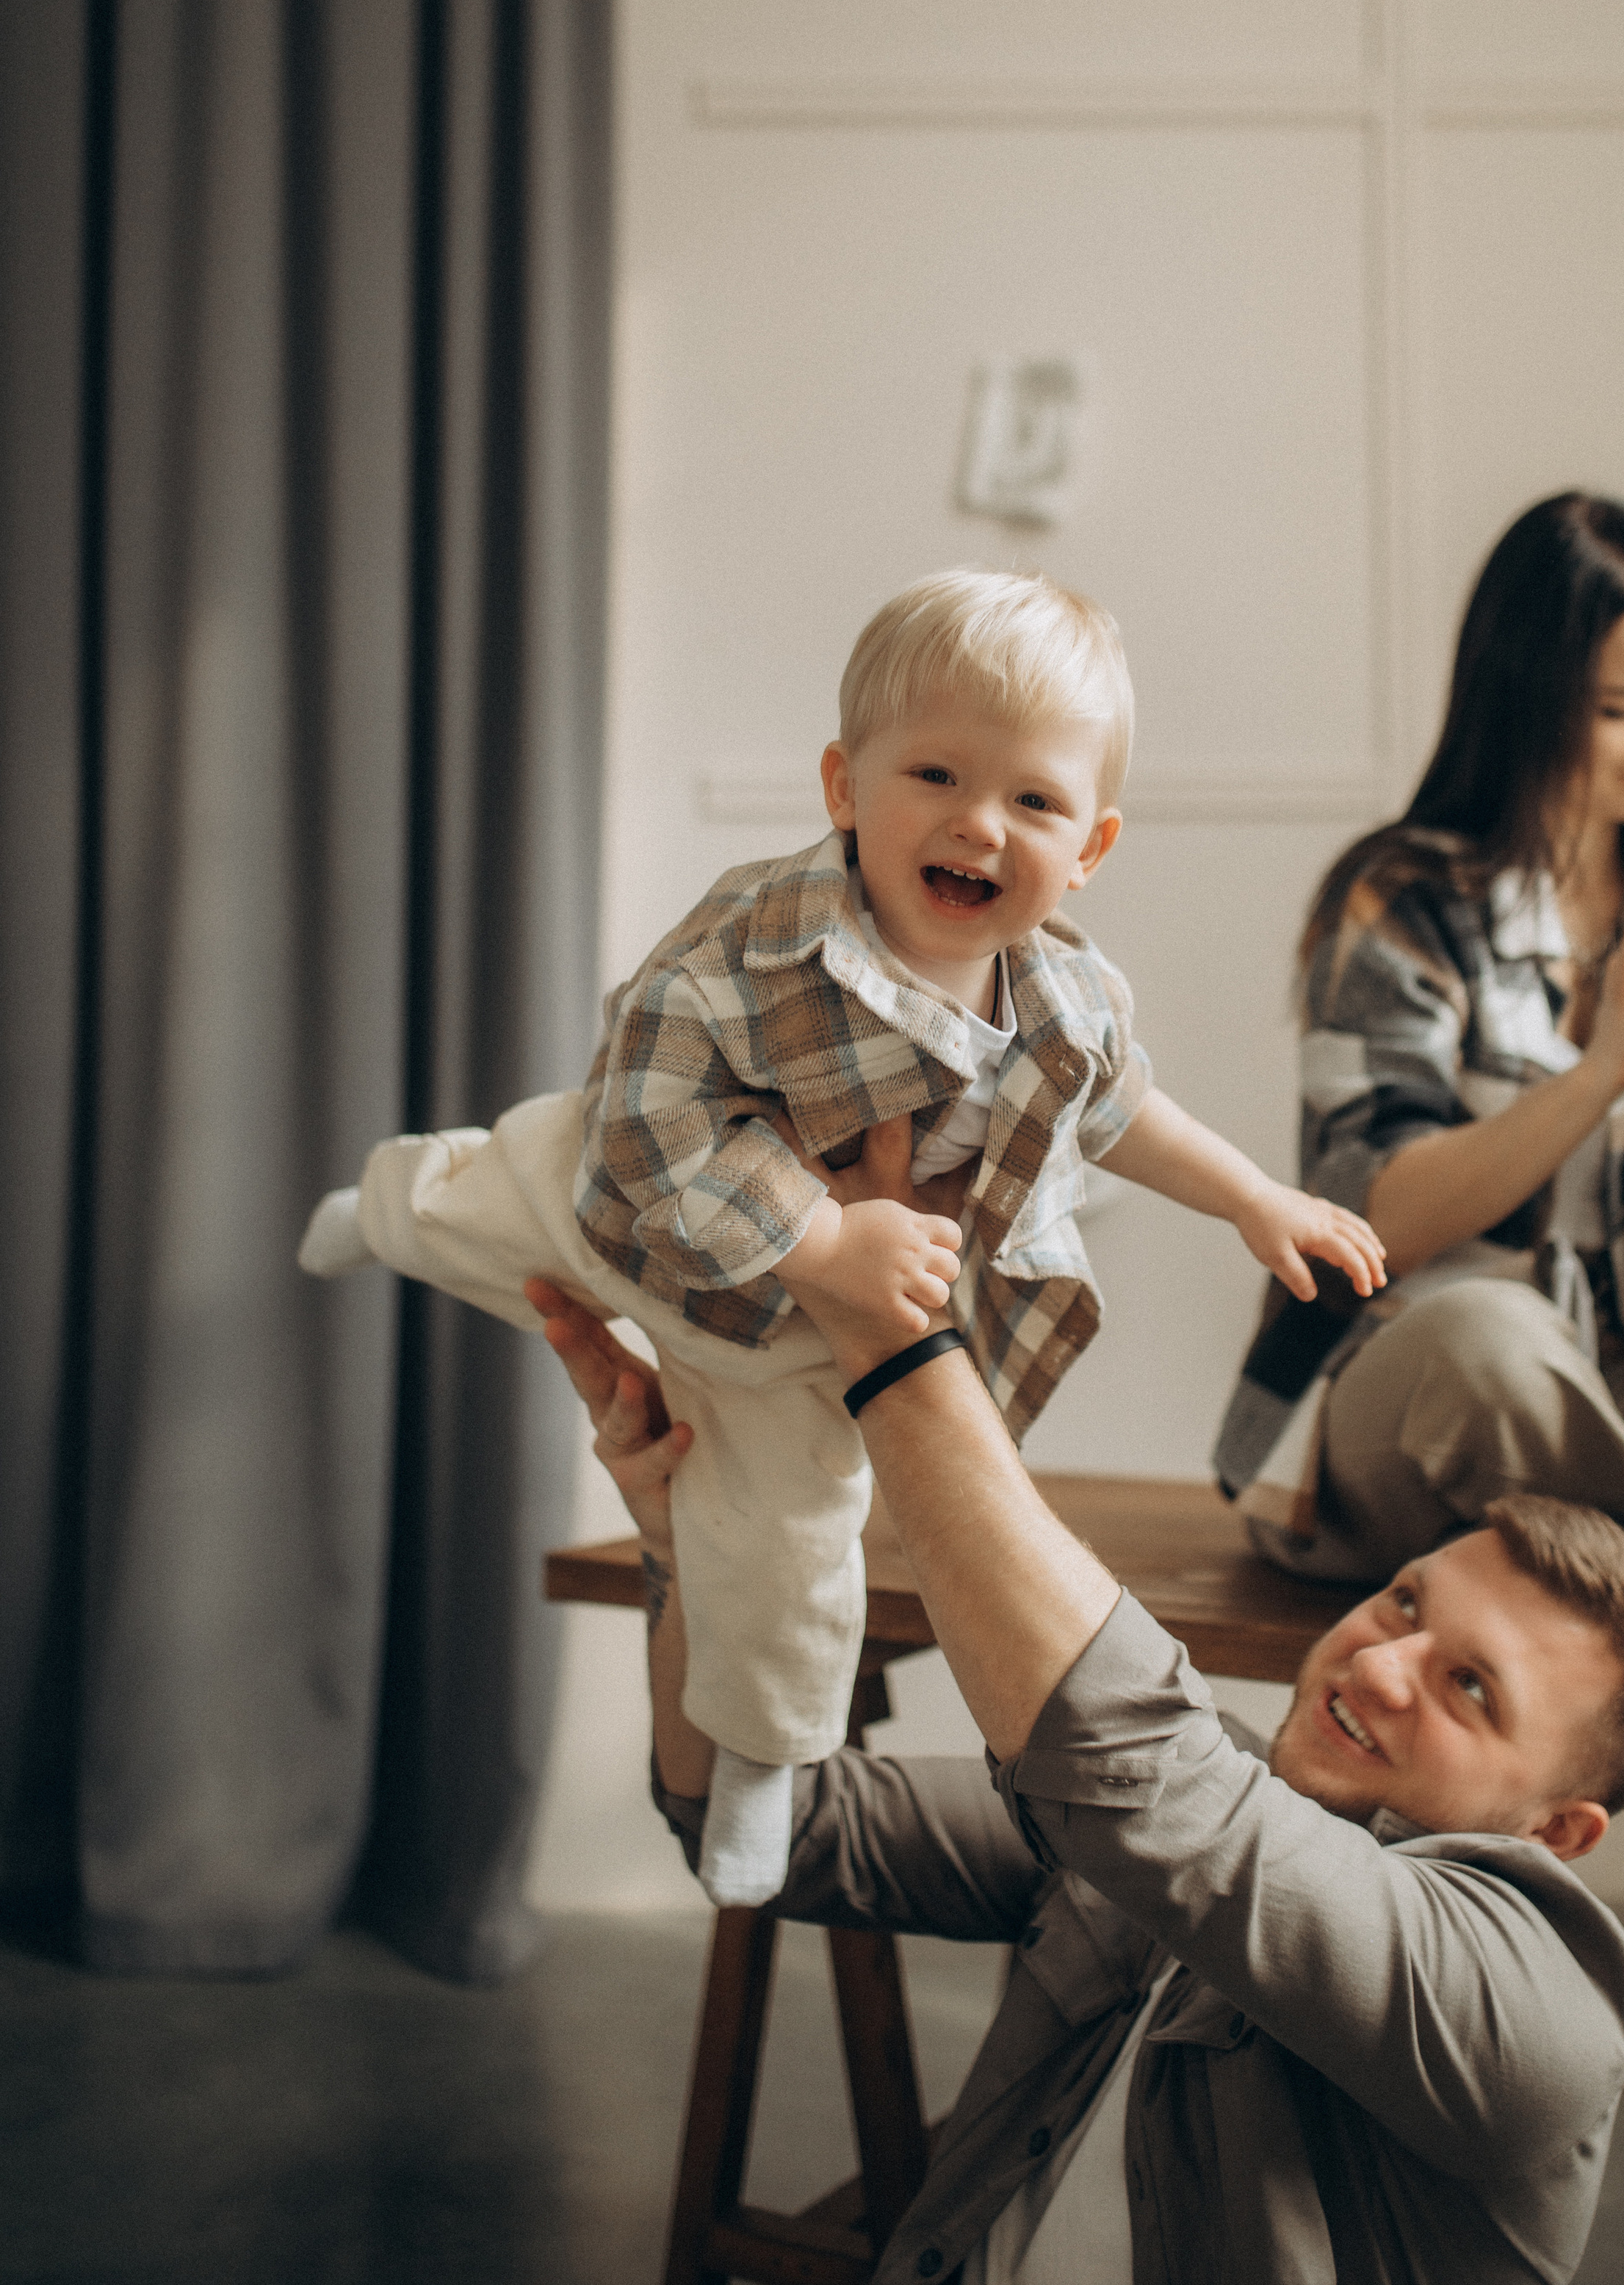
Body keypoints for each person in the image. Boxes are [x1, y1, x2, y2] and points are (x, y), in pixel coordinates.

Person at [523, 1104, 1624, 2285]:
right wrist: (698, 1554)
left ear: (1559, 1830)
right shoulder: (1209, 1812)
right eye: (1408, 1606)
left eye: (1469, 1688)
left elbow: (1145, 1775)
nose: (1378, 1662)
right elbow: (763, 1823)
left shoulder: (1546, 2009)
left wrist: (894, 1334)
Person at [300, 570, 1383, 1904]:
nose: (979, 824)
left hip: (782, 1352)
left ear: (1090, 846)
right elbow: (641, 1112)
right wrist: (819, 1237)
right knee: (476, 1198)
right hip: (622, 1207)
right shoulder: (757, 938)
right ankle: (378, 1210)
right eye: (935, 773)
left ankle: (759, 1764)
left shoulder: (1066, 998)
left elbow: (1126, 1110)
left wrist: (1254, 1201)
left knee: (786, 1544)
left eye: (1033, 801)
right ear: (843, 786)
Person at [1214, 490, 1624, 1636]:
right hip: (1415, 1413)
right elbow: (1370, 1220)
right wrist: (1599, 1071)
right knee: (1489, 1332)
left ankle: (1621, 1539)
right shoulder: (1406, 899)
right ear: (1529, 699)